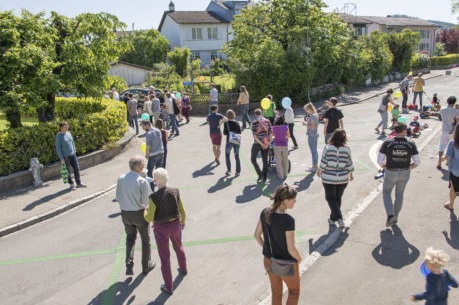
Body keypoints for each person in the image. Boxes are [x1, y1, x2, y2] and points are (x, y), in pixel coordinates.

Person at [253, 184, 302, 305]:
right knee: (294, 291)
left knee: (276, 292)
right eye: (293, 199)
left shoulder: (265, 212)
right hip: (286, 264)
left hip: (269, 261)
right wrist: (299, 259)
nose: (295, 201)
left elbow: (256, 235)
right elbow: (291, 249)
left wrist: (267, 248)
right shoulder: (288, 220)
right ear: (285, 201)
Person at [144, 168, 187, 295]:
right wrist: (183, 221)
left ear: (155, 181)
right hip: (175, 225)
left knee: (165, 258)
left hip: (161, 229)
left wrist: (144, 210)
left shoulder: (153, 197)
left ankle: (169, 286)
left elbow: (149, 218)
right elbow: (182, 210)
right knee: (179, 247)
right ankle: (183, 268)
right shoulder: (175, 191)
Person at [116, 155, 156, 276]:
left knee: (130, 238)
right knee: (145, 240)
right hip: (139, 213)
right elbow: (147, 201)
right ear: (140, 167)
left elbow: (118, 197)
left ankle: (129, 264)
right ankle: (146, 265)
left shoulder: (121, 178)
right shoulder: (142, 181)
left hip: (125, 213)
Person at [378, 123, 420, 227]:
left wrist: (385, 167)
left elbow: (379, 160)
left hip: (391, 171)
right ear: (403, 131)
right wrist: (410, 167)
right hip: (405, 171)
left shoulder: (387, 143)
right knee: (399, 194)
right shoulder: (411, 144)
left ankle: (390, 214)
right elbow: (417, 161)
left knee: (386, 192)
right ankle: (395, 217)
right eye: (406, 130)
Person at [317, 129, 354, 228]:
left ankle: (339, 218)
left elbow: (324, 161)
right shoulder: (347, 149)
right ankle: (333, 218)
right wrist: (351, 174)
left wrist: (319, 171)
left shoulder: (328, 148)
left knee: (330, 198)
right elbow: (349, 163)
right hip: (342, 178)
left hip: (329, 178)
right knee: (337, 198)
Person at [55, 121, 87, 190]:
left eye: (67, 126)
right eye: (65, 127)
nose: (67, 128)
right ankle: (71, 184)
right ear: (61, 127)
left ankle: (78, 183)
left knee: (77, 168)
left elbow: (72, 143)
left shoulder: (69, 133)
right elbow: (58, 148)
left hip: (73, 155)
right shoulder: (58, 136)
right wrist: (61, 158)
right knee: (68, 171)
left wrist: (74, 151)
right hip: (66, 157)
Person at [141, 120, 164, 190]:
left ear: (147, 125)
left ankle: (151, 189)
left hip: (153, 155)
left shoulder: (148, 134)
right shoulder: (157, 130)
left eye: (143, 127)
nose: (143, 129)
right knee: (159, 172)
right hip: (161, 152)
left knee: (149, 172)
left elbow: (148, 147)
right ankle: (161, 188)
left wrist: (146, 155)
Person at [251, 108, 273, 183]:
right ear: (262, 113)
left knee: (253, 159)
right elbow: (270, 133)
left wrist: (261, 144)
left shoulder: (254, 122)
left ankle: (260, 174)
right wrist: (267, 143)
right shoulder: (267, 121)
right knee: (265, 160)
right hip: (266, 142)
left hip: (257, 143)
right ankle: (264, 177)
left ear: (255, 114)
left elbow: (254, 136)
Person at [438, 96, 459, 169]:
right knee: (451, 147)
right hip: (452, 131)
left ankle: (439, 162)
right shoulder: (455, 111)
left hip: (444, 130)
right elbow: (457, 122)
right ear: (454, 102)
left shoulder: (442, 109)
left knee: (441, 146)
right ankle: (448, 162)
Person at [444, 124, 459, 211]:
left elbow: (448, 157)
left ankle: (451, 205)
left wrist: (443, 158)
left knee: (453, 189)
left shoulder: (453, 143)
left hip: (455, 171)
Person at [223, 109, 242, 176]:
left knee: (227, 155)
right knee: (237, 156)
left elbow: (225, 133)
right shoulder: (237, 123)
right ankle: (238, 172)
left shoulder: (226, 123)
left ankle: (229, 170)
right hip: (236, 141)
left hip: (229, 141)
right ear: (233, 115)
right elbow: (240, 132)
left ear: (227, 116)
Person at [303, 103, 319, 172]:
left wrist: (305, 124)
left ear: (309, 109)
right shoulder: (316, 114)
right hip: (315, 134)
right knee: (315, 151)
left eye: (307, 110)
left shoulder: (312, 116)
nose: (306, 111)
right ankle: (315, 165)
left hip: (312, 135)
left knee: (313, 151)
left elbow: (312, 127)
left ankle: (314, 166)